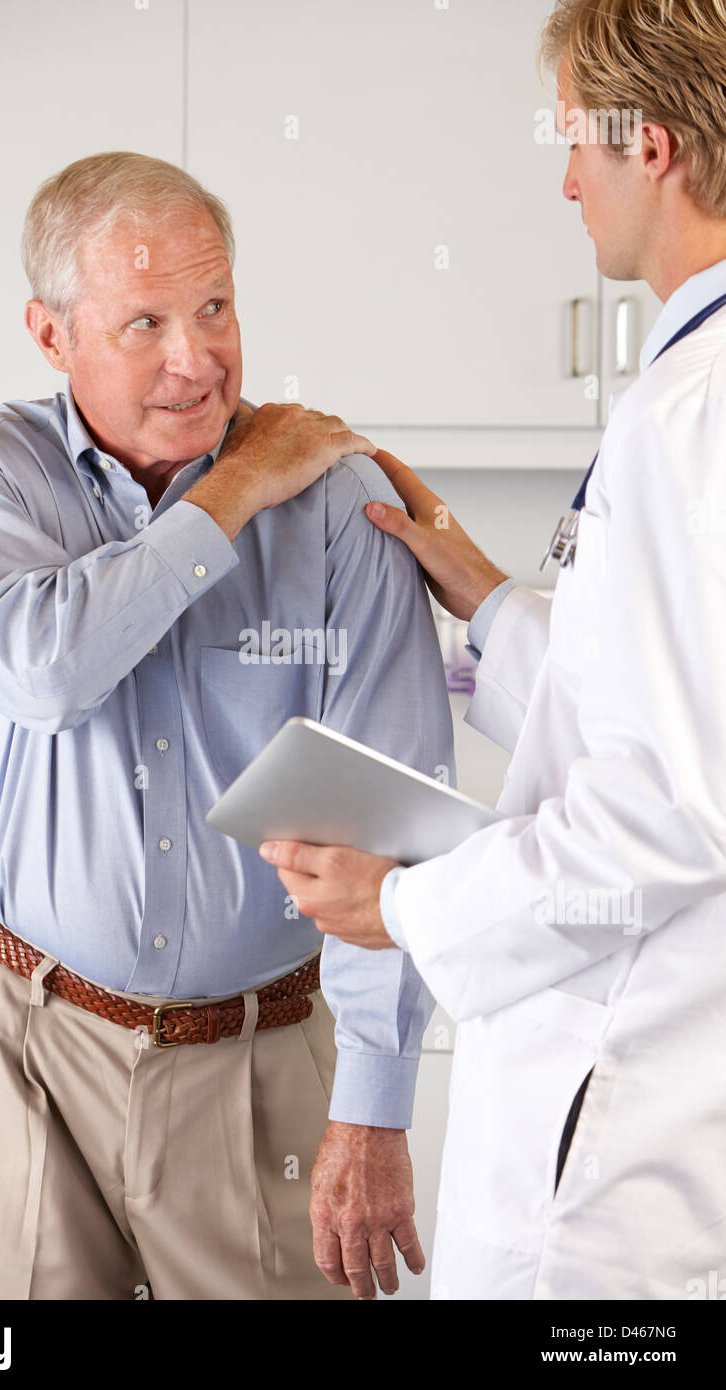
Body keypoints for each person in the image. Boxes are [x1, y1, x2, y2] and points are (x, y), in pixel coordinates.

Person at [0, 151, 453, 1300]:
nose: (194, 357)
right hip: (26, 1043)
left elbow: (387, 816)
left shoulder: (336, 503)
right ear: (51, 335)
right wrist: (232, 493)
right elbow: (48, 671)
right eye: (145, 320)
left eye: (214, 307)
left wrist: (374, 1106)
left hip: (258, 1063)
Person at [258, 0, 726, 1299]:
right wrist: (480, 598)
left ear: (659, 147)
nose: (565, 174)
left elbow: (669, 812)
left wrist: (398, 903)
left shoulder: (688, 419)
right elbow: (653, 705)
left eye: (581, 140)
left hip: (624, 1144)